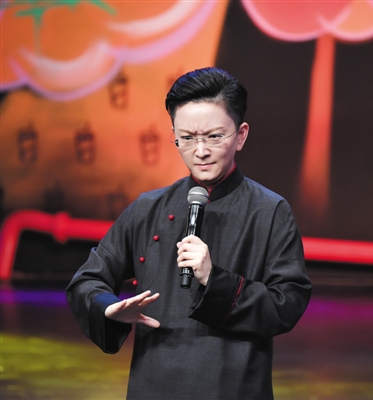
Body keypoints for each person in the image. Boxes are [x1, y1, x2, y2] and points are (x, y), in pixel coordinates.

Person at [66, 67, 312, 400]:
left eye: (214, 136)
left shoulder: (269, 211)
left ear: (240, 135)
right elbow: (86, 280)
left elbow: (288, 302)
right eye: (187, 138)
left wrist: (215, 280)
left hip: (233, 387)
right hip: (154, 384)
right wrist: (110, 308)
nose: (201, 150)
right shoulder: (148, 208)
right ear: (174, 136)